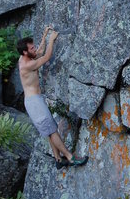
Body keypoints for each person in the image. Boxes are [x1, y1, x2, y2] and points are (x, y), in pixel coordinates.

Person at [17, 26, 88, 170]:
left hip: (34, 101)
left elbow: (38, 52)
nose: (34, 49)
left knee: (49, 130)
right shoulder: (27, 65)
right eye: (31, 48)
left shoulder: (25, 57)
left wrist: (44, 36)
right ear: (25, 52)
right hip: (34, 103)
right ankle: (70, 157)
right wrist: (51, 40)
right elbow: (45, 56)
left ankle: (58, 159)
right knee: (52, 130)